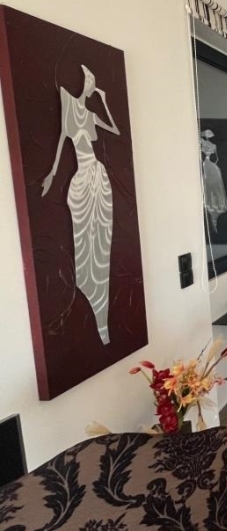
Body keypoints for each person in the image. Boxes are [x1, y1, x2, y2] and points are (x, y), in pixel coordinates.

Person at [41, 65, 120, 346]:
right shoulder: (70, 109)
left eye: (92, 83)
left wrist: (105, 102)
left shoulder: (91, 115)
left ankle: (101, 312)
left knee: (103, 237)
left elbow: (115, 129)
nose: (90, 87)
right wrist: (51, 175)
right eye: (89, 83)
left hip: (98, 175)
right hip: (83, 177)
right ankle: (88, 290)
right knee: (83, 236)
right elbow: (62, 142)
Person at [200, 129, 227, 232]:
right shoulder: (211, 145)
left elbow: (216, 158)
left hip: (208, 165)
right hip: (211, 166)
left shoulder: (205, 143)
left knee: (212, 185)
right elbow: (217, 158)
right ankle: (213, 218)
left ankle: (213, 218)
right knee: (212, 185)